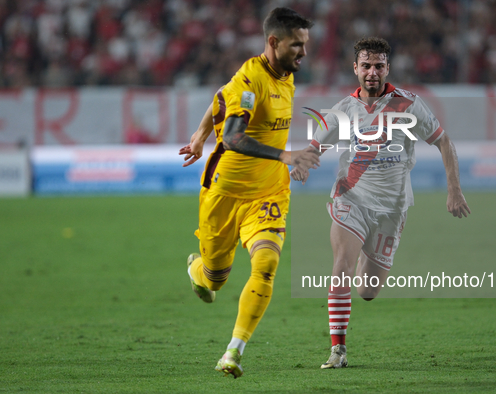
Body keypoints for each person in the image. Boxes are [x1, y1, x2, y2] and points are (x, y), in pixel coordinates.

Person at [291, 37, 471, 369]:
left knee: (367, 291)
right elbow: (315, 146)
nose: (372, 72)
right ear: (355, 68)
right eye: (366, 66)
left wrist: (454, 189)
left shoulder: (409, 104)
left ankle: (367, 258)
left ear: (387, 68)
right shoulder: (343, 110)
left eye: (379, 66)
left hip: (392, 208)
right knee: (341, 265)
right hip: (352, 199)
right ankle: (338, 350)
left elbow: (444, 142)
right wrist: (302, 164)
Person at [178, 7, 317, 378]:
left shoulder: (285, 74)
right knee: (215, 279)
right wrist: (286, 154)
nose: (304, 52)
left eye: (305, 44)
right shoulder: (251, 79)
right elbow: (235, 137)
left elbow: (220, 97)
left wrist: (200, 132)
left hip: (269, 192)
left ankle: (233, 352)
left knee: (267, 263)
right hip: (225, 193)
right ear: (273, 42)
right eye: (296, 45)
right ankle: (198, 270)